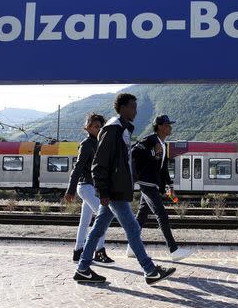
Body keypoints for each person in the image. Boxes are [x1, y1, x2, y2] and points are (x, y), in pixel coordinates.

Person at [73, 93, 176, 285]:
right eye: (133, 107)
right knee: (133, 228)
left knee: (97, 230)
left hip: (116, 187)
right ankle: (150, 270)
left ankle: (83, 268)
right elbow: (99, 163)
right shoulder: (113, 129)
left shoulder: (121, 128)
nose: (136, 111)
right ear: (122, 108)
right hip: (114, 190)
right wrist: (103, 191)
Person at [129, 115, 192, 261]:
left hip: (154, 183)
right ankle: (173, 249)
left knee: (141, 217)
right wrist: (151, 153)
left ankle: (131, 247)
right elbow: (134, 152)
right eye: (167, 124)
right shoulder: (150, 140)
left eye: (170, 124)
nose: (170, 127)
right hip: (147, 183)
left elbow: (163, 168)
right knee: (161, 214)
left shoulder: (164, 144)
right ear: (159, 127)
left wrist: (170, 186)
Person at [64, 113, 114, 264]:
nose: (98, 129)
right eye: (95, 126)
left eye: (100, 126)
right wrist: (70, 190)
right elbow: (78, 167)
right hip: (85, 186)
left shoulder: (98, 143)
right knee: (103, 215)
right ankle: (99, 251)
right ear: (88, 127)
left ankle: (78, 251)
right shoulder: (87, 144)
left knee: (85, 222)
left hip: (91, 187)